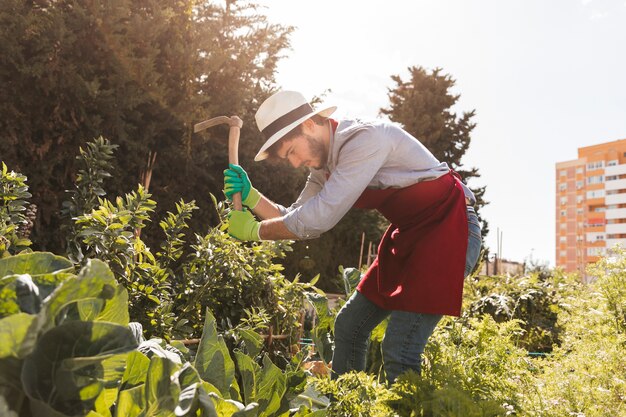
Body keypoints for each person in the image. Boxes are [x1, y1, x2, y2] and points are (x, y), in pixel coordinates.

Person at [224, 90, 482, 384]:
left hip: (449, 229)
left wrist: (254, 231)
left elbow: (318, 219)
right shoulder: (324, 167)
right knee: (349, 326)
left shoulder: (364, 140)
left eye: (293, 151)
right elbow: (295, 216)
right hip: (411, 236)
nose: (295, 163)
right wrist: (251, 197)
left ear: (309, 124)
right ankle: (347, 405)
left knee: (400, 346)